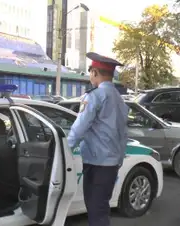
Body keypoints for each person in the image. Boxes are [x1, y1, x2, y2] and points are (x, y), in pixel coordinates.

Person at [67, 52, 129, 226]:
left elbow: (80, 127)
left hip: (96, 163)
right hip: (111, 164)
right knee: (101, 208)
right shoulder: (119, 99)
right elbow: (124, 133)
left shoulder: (94, 96)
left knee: (96, 211)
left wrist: (66, 149)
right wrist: (118, 158)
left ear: (94, 72)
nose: (89, 76)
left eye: (90, 72)